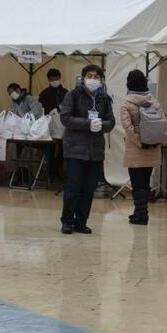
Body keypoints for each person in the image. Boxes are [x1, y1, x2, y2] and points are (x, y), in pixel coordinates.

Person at [59, 64, 115, 234]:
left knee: (88, 189)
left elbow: (111, 121)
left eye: (97, 77)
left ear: (101, 80)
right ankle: (67, 221)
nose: (93, 79)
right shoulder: (73, 95)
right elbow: (65, 118)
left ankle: (81, 221)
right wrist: (88, 124)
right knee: (73, 188)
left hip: (95, 151)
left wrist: (102, 125)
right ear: (83, 78)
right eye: (89, 76)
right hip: (75, 149)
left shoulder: (104, 98)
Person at [120, 69, 165, 226]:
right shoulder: (154, 102)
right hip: (153, 147)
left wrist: (140, 143)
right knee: (145, 182)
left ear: (128, 84)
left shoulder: (126, 103)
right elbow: (162, 124)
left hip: (136, 149)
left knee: (136, 182)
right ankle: (139, 212)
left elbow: (128, 127)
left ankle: (142, 215)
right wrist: (152, 142)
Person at [39, 68, 68, 182]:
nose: (55, 80)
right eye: (52, 78)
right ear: (48, 79)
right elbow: (41, 110)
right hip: (49, 126)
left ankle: (57, 169)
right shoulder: (44, 93)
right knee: (49, 150)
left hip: (64, 126)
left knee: (64, 150)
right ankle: (51, 174)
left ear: (60, 78)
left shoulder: (66, 93)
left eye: (56, 78)